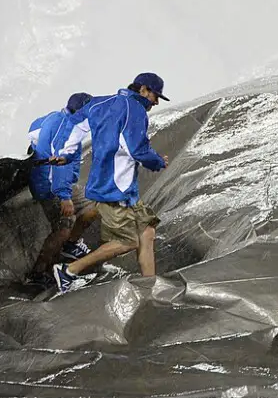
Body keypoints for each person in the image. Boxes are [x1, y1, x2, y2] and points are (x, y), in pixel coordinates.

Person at [52, 73, 170, 294]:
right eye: (155, 96)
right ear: (143, 90)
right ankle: (69, 270)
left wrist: (66, 153)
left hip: (118, 188)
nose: (155, 102)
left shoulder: (100, 102)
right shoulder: (135, 110)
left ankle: (150, 287)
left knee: (147, 232)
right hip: (115, 190)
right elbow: (137, 149)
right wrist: (156, 162)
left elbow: (75, 124)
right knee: (128, 242)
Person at [26, 92, 99, 287]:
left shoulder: (55, 118)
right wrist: (64, 196)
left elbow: (34, 129)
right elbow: (60, 163)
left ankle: (69, 247)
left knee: (92, 206)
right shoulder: (68, 131)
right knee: (64, 227)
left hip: (55, 181)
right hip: (51, 187)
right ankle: (39, 273)